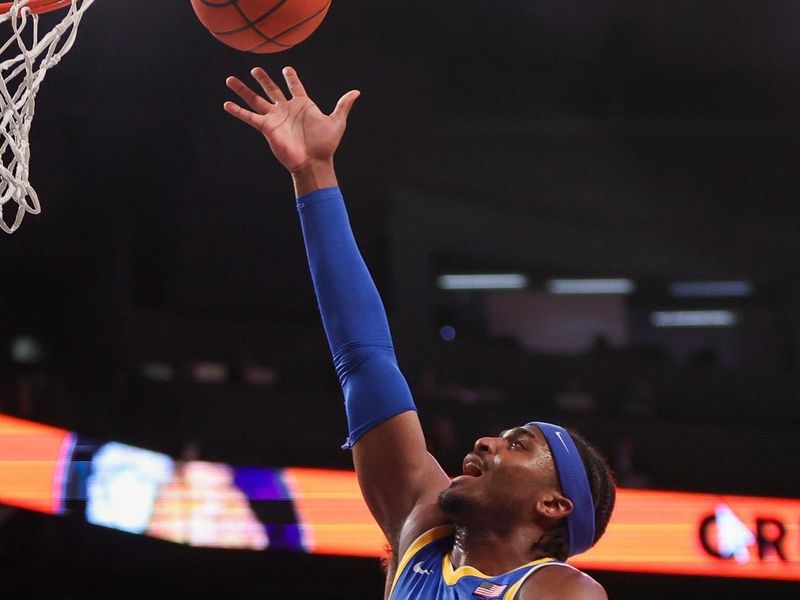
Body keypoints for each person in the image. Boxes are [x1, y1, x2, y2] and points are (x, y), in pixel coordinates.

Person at [223, 67, 616, 600]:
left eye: (518, 445)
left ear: (552, 505)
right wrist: (314, 173)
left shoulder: (561, 588)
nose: (486, 441)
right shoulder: (421, 533)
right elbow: (363, 359)